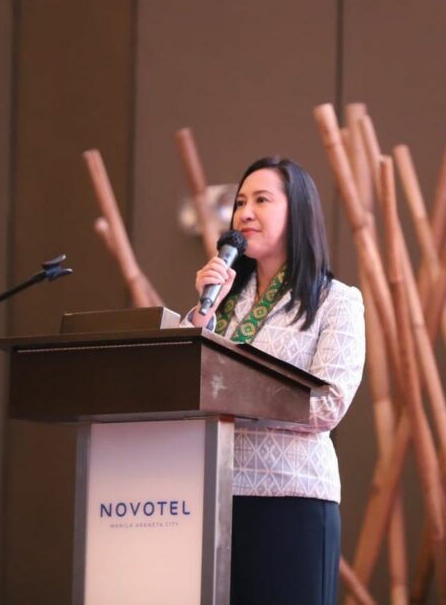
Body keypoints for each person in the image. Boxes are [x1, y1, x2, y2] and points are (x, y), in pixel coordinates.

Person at [185, 156, 365, 605]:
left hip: (294, 499)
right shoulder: (225, 302)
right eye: (240, 202)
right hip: (216, 497)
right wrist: (203, 314)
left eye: (261, 200)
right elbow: (185, 384)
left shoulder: (336, 300)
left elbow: (329, 404)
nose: (245, 213)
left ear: (297, 212)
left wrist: (238, 400)